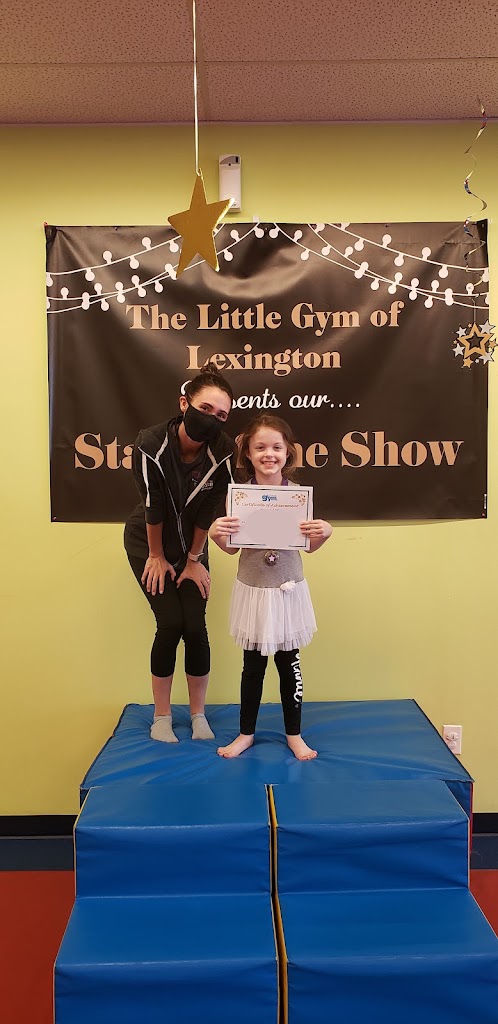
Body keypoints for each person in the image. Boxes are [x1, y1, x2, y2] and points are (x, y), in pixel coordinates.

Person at [209, 414, 332, 760]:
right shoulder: (239, 497)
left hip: (287, 590)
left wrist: (326, 533)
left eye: (276, 447)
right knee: (252, 667)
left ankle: (294, 735)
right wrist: (217, 535)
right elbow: (232, 548)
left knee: (289, 665)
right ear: (247, 453)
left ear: (288, 451)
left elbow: (309, 546)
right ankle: (245, 734)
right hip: (253, 590)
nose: (269, 454)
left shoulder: (298, 498)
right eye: (260, 447)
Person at [124, 364, 235, 743]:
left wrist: (194, 559)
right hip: (147, 541)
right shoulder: (151, 443)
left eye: (222, 415)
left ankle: (198, 716)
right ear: (184, 403)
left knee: (195, 626)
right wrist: (156, 556)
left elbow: (210, 509)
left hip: (192, 544)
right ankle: (162, 716)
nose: (213, 419)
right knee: (170, 623)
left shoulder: (223, 450)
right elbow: (153, 504)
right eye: (205, 409)